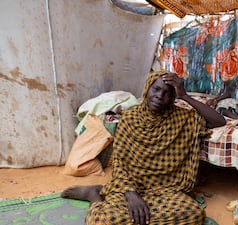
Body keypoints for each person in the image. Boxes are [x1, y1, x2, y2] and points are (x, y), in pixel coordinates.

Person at [61, 70, 226, 225]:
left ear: (173, 97)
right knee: (103, 220)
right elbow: (120, 163)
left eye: (167, 93)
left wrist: (185, 95)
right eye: (156, 89)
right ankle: (94, 197)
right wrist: (131, 195)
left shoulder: (182, 119)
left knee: (193, 213)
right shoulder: (129, 119)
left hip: (166, 191)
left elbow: (219, 121)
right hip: (129, 188)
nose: (159, 96)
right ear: (147, 89)